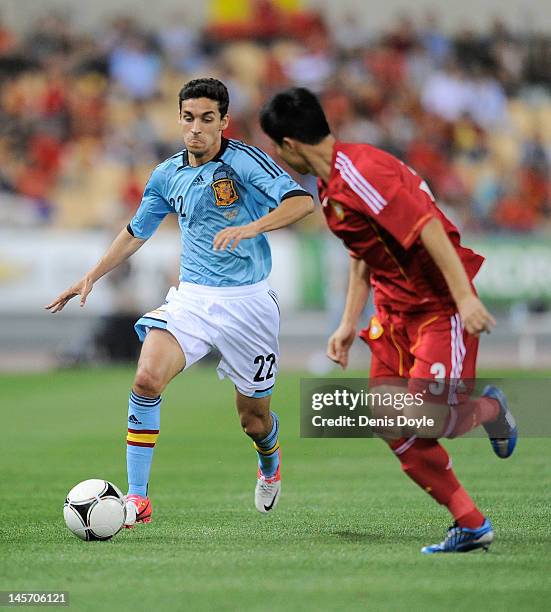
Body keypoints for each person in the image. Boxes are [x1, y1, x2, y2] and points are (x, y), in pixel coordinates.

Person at [257, 87, 517, 554]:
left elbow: (427, 226)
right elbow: (365, 254)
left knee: (432, 420)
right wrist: (346, 323)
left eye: (276, 147)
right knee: (389, 418)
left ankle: (491, 410)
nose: (277, 155)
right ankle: (471, 523)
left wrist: (464, 298)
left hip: (438, 310)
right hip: (394, 313)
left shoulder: (360, 173)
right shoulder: (330, 187)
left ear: (290, 144)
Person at [46, 78, 314, 525]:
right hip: (191, 299)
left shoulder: (246, 161)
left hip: (248, 305)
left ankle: (269, 460)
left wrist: (253, 227)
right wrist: (91, 275)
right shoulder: (167, 174)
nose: (196, 129)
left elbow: (301, 202)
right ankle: (137, 500)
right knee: (147, 378)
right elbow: (137, 232)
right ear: (179, 119)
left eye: (207, 119)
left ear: (224, 121)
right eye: (189, 118)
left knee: (254, 419)